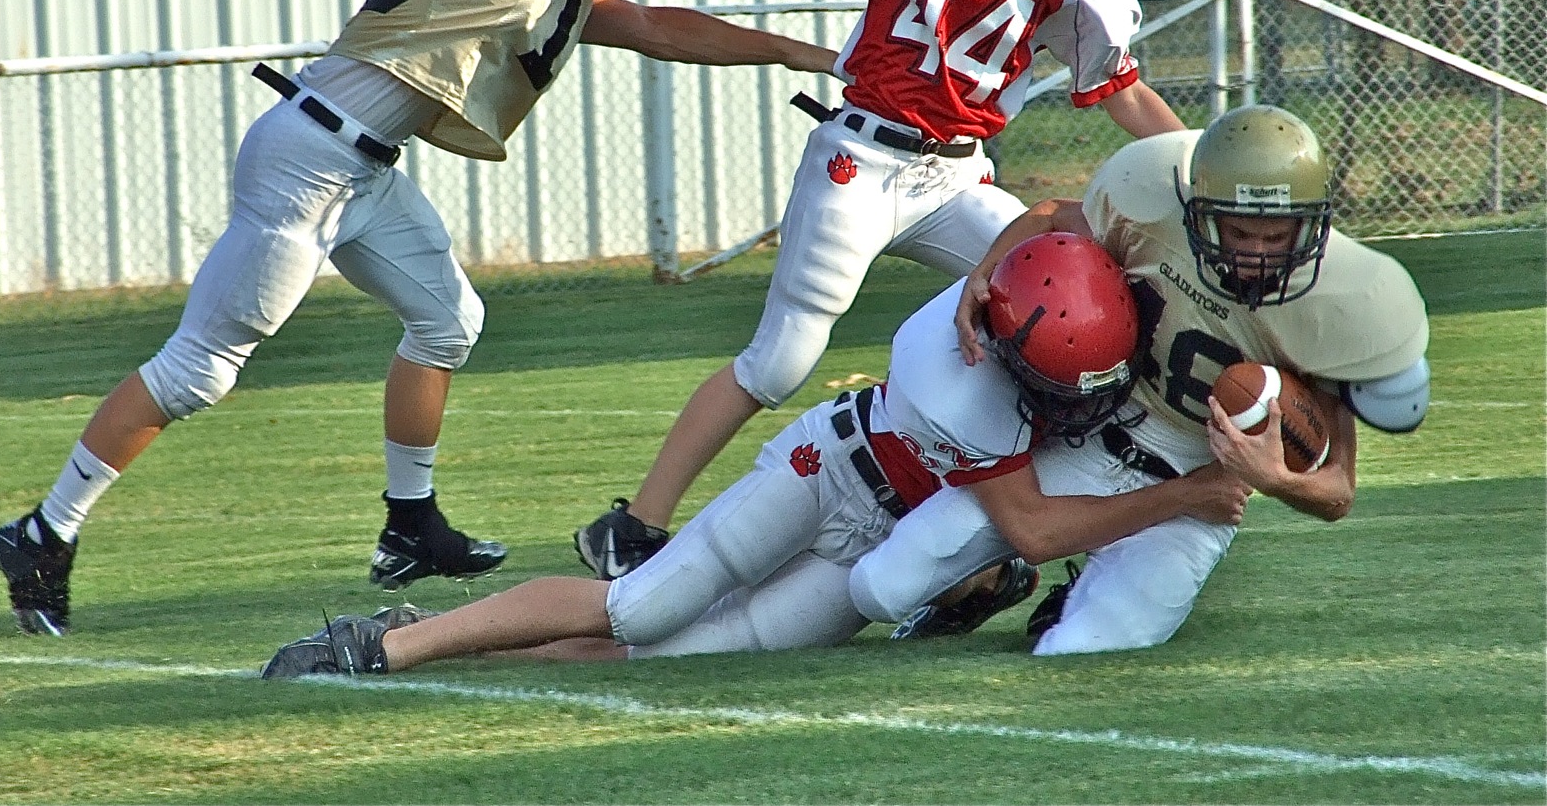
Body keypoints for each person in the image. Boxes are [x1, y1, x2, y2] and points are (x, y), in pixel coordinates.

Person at [0, 0, 895, 636]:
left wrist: (802, 53)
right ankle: (44, 531)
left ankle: (409, 525)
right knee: (199, 369)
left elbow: (655, 28)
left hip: (359, 161)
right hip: (311, 156)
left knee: (448, 321)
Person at [572, 0, 1189, 580]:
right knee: (780, 361)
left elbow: (1124, 93)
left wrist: (1196, 172)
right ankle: (635, 525)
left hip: (958, 178)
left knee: (1077, 325)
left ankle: (1042, 554)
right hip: (860, 160)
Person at [259, 233, 1251, 677]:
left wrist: (1006, 251)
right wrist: (1190, 493)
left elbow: (1054, 218)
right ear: (997, 340)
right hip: (828, 476)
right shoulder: (956, 375)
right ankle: (382, 647)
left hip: (876, 537)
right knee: (642, 607)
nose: (1071, 403)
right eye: (1050, 381)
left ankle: (453, 640)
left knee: (673, 655)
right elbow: (1029, 522)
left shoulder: (1050, 304)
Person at [858, 103, 1432, 655]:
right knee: (882, 586)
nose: (1257, 254)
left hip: (1198, 495)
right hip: (1086, 444)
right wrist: (982, 275)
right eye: (1239, 233)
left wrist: (1276, 478)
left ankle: (1081, 595)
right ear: (1198, 213)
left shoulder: (1331, 312)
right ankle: (997, 581)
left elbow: (1337, 492)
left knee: (1078, 649)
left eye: (1276, 236)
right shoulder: (1153, 218)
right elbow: (1050, 215)